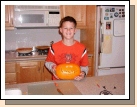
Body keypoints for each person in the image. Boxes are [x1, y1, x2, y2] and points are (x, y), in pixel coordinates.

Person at [45, 16, 89, 81]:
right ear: (61, 30)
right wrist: (53, 68)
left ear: (75, 30)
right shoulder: (54, 47)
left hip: (75, 81)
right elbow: (48, 62)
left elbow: (84, 66)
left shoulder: (82, 48)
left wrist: (83, 73)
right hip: (58, 82)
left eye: (71, 28)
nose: (68, 30)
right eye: (65, 28)